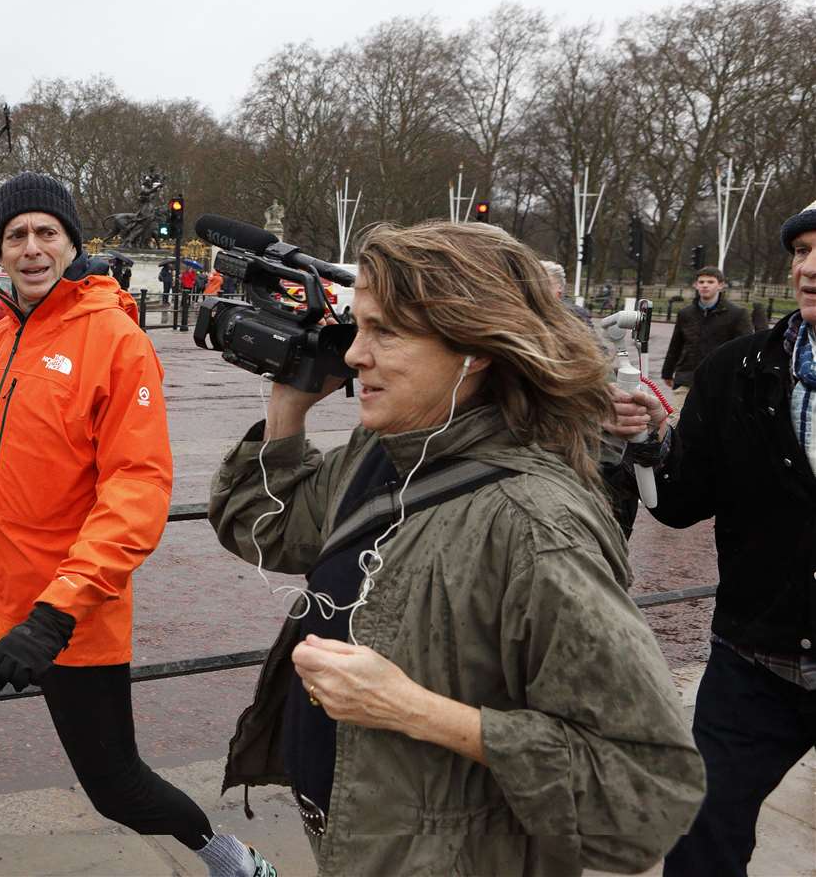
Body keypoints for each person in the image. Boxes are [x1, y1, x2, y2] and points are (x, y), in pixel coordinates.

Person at [207, 220, 703, 876]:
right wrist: (288, 406)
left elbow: (646, 797)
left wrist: (414, 710)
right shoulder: (384, 451)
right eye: (359, 327)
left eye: (387, 331)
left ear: (478, 347)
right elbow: (265, 526)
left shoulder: (537, 527)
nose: (355, 355)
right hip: (361, 845)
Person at [0, 172, 275, 877]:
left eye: (45, 232)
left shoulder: (116, 341)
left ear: (70, 242)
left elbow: (136, 490)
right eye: (15, 235)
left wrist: (57, 611)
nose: (31, 248)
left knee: (116, 787)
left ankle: (235, 862)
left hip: (66, 616)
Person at [615, 199, 816, 877]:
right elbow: (679, 501)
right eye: (801, 252)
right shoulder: (739, 370)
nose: (810, 268)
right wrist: (648, 443)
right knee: (700, 836)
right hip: (753, 664)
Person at [661, 266, 752, 395]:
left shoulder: (737, 314)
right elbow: (676, 345)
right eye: (701, 282)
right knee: (679, 415)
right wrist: (667, 372)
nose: (705, 286)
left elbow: (746, 349)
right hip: (686, 378)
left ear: (720, 285)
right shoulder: (685, 313)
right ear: (695, 285)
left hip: (720, 380)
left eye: (710, 282)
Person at [541, 259, 592, 324]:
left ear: (560, 287)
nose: (539, 288)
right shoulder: (529, 310)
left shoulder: (575, 315)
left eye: (545, 283)